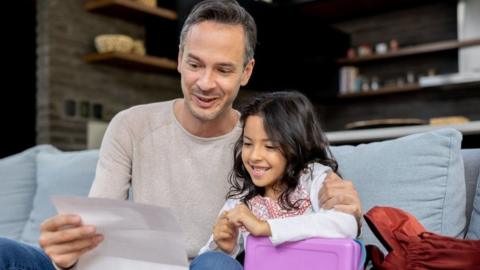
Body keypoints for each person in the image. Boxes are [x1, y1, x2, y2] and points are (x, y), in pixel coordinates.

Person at [0, 1, 361, 269]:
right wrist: (67, 252)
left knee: (214, 265)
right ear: (179, 58)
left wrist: (347, 210)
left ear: (246, 71)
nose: (205, 83)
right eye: (194, 64)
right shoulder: (131, 125)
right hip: (131, 266)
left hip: (205, 266)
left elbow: (310, 194)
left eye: (223, 69)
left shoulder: (260, 142)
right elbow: (99, 226)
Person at [196, 91, 357, 263]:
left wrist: (265, 228)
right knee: (211, 261)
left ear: (297, 146)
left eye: (270, 146)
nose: (254, 156)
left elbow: (347, 225)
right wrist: (224, 248)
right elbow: (203, 263)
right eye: (248, 143)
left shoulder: (314, 178)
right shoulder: (240, 203)